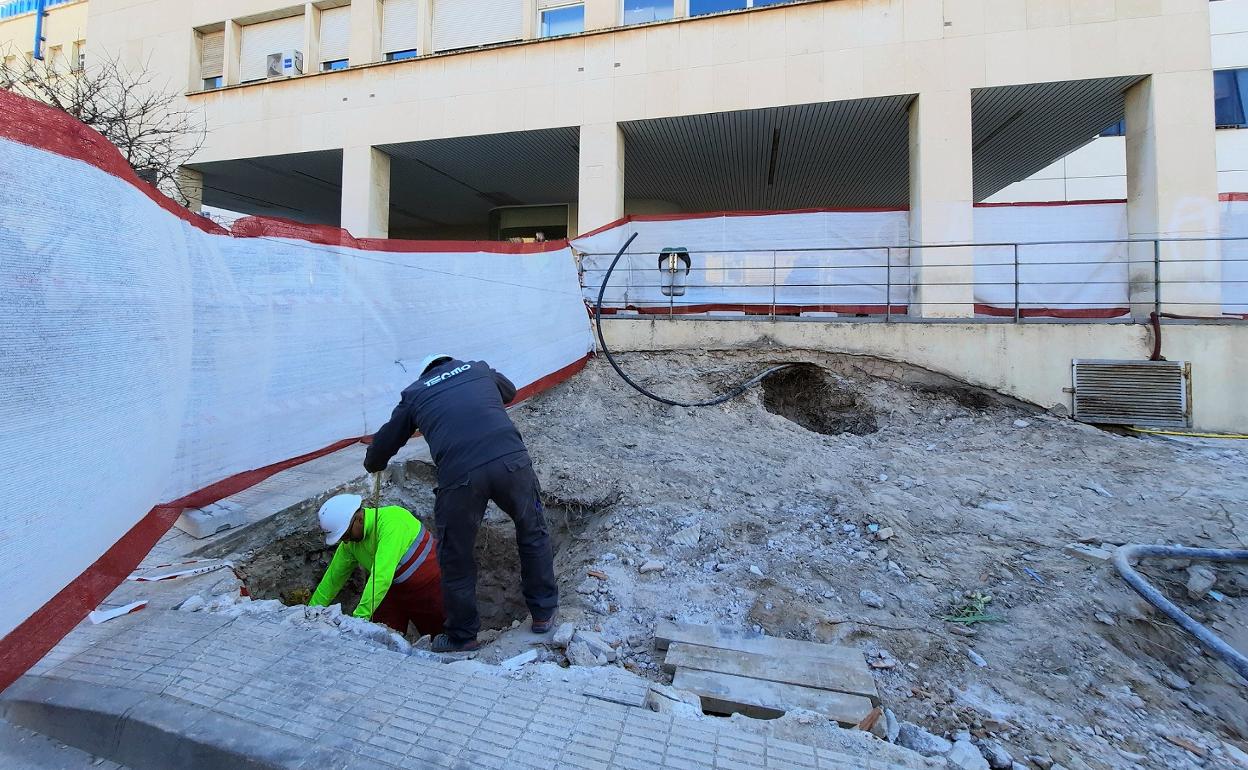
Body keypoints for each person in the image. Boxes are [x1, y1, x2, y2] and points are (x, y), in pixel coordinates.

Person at [364, 353, 558, 652]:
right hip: (511, 463)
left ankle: (462, 636)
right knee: (532, 531)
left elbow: (387, 441)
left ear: (425, 372)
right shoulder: (478, 369)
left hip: (461, 476)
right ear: (449, 362)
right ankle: (544, 613)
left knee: (456, 557)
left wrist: (373, 462)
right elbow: (510, 391)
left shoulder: (416, 393)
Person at [308, 493, 445, 637]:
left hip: (430, 586)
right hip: (390, 591)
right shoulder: (350, 544)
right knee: (380, 637)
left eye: (345, 535)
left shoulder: (392, 521)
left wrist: (358, 619)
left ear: (359, 519)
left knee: (439, 637)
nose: (345, 541)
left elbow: (381, 576)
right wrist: (310, 611)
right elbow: (332, 580)